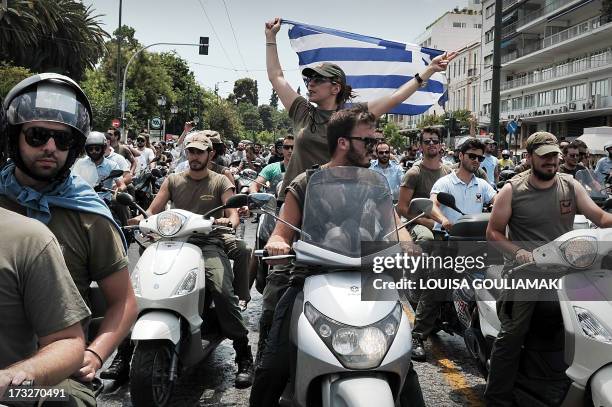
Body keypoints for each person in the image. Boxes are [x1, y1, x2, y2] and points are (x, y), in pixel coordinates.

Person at [249, 106, 425, 407]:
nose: (374, 147)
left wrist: (407, 242)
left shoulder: (373, 183)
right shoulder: (306, 182)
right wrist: (278, 243)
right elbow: (281, 231)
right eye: (367, 141)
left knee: (402, 363)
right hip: (312, 276)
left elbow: (394, 223)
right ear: (343, 142)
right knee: (272, 365)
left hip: (369, 274)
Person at [0, 73, 137, 391]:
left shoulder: (89, 216)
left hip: (60, 365)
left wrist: (95, 353)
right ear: (14, 137)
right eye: (37, 135)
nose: (50, 147)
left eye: (62, 140)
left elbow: (124, 301)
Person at [265, 17, 457, 204]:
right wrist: (270, 38)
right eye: (309, 80)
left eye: (317, 80)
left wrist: (429, 70)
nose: (310, 84)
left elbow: (395, 97)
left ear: (335, 88)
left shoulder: (352, 117)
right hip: (294, 199)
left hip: (334, 202)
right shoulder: (302, 110)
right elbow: (276, 77)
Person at [484, 131, 612, 406]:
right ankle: (497, 397)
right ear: (529, 157)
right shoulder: (512, 190)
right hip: (526, 273)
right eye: (544, 156)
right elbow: (493, 232)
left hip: (566, 272)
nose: (551, 161)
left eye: (554, 155)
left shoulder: (570, 185)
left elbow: (600, 217)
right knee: (513, 334)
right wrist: (520, 254)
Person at [130, 133, 255, 388]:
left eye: (200, 152)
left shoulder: (220, 181)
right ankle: (123, 354)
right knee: (135, 290)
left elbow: (233, 215)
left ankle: (243, 356)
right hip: (171, 242)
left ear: (210, 154)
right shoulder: (173, 179)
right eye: (191, 152)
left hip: (207, 244)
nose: (194, 157)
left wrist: (227, 220)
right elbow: (153, 210)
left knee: (221, 289)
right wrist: (138, 220)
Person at [0, 207, 93, 405]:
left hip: (14, 394)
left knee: (65, 399)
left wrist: (21, 373)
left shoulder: (29, 238)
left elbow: (68, 341)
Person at [397, 127, 452, 243]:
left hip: (444, 223)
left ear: (440, 145)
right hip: (417, 223)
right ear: (421, 146)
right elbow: (401, 208)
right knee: (426, 238)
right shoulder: (413, 174)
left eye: (435, 141)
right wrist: (424, 221)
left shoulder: (449, 172)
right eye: (427, 142)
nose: (431, 144)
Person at [74, 131, 126, 202]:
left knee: (120, 205)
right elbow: (73, 182)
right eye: (90, 149)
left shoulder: (112, 165)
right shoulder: (80, 163)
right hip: (83, 200)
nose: (94, 151)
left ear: (103, 148)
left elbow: (121, 185)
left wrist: (118, 190)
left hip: (105, 202)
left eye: (97, 149)